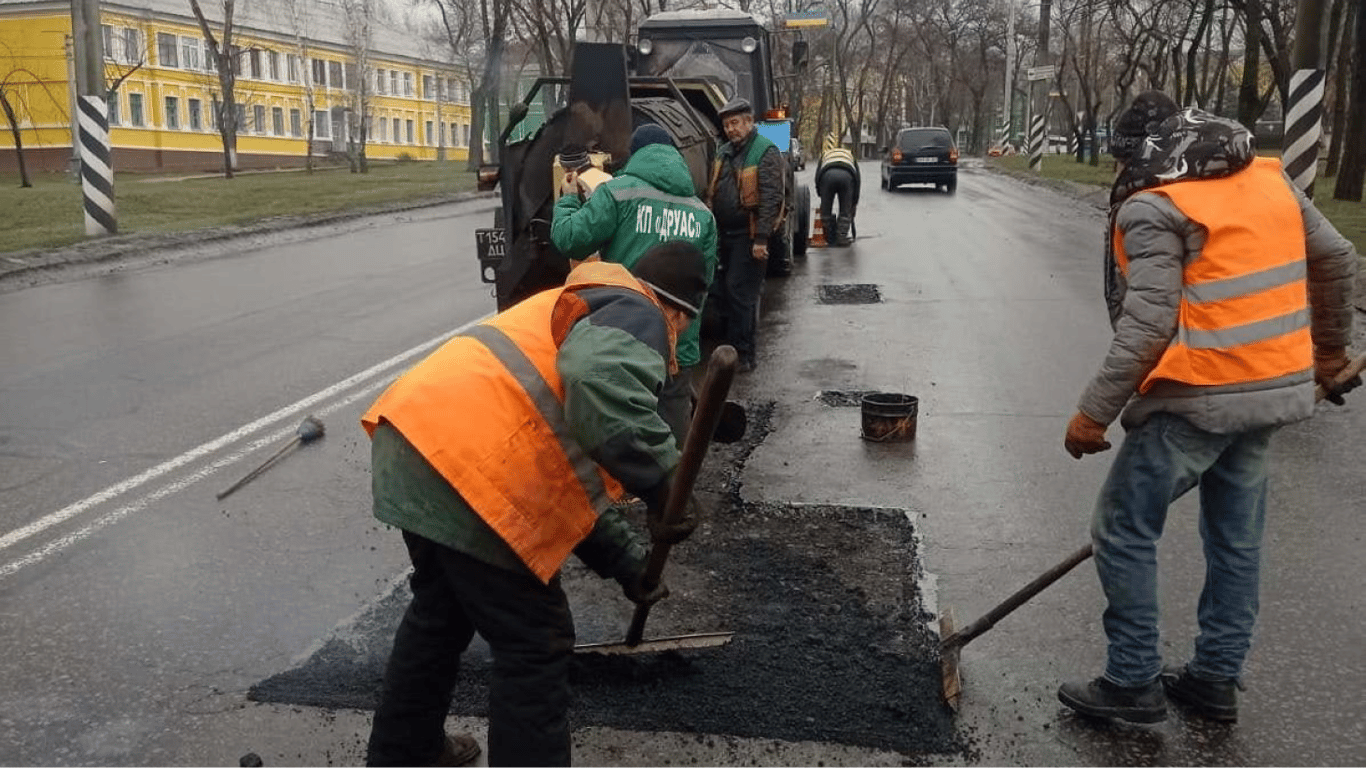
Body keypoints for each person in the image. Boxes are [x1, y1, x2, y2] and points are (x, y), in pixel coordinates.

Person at [1057, 91, 1360, 725]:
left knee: (1122, 529)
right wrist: (1329, 354)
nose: (1121, 175)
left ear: (1142, 154)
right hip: (1271, 393)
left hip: (1194, 399)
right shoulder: (1269, 181)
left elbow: (1146, 327)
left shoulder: (1156, 205)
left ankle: (1132, 682)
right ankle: (1215, 678)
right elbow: (1336, 257)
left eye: (1122, 160)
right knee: (1236, 541)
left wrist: (1093, 414)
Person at [360, 243, 710, 768]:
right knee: (535, 642)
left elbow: (569, 479)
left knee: (440, 615)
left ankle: (404, 754)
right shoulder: (640, 311)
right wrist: (666, 482)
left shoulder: (583, 300)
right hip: (471, 465)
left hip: (416, 443)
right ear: (679, 311)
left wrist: (629, 565)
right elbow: (601, 389)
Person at [551, 123, 718, 444]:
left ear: (636, 154)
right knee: (673, 428)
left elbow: (569, 239)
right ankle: (673, 487)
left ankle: (631, 488)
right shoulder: (702, 213)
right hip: (678, 345)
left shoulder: (618, 192)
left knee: (626, 427)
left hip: (627, 336)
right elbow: (704, 281)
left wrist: (569, 199)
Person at [705, 97, 785, 373]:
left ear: (750, 122)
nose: (731, 129)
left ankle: (744, 354)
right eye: (727, 125)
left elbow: (772, 197)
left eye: (736, 123)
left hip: (749, 236)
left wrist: (762, 239)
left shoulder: (766, 151)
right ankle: (730, 348)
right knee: (724, 291)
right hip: (724, 235)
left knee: (741, 293)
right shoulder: (725, 152)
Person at [813, 135, 860, 246]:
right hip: (847, 176)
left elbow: (817, 176)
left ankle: (829, 237)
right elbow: (857, 180)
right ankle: (841, 238)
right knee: (845, 210)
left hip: (827, 175)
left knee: (826, 210)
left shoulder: (825, 154)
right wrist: (854, 202)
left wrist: (822, 194)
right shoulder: (850, 155)